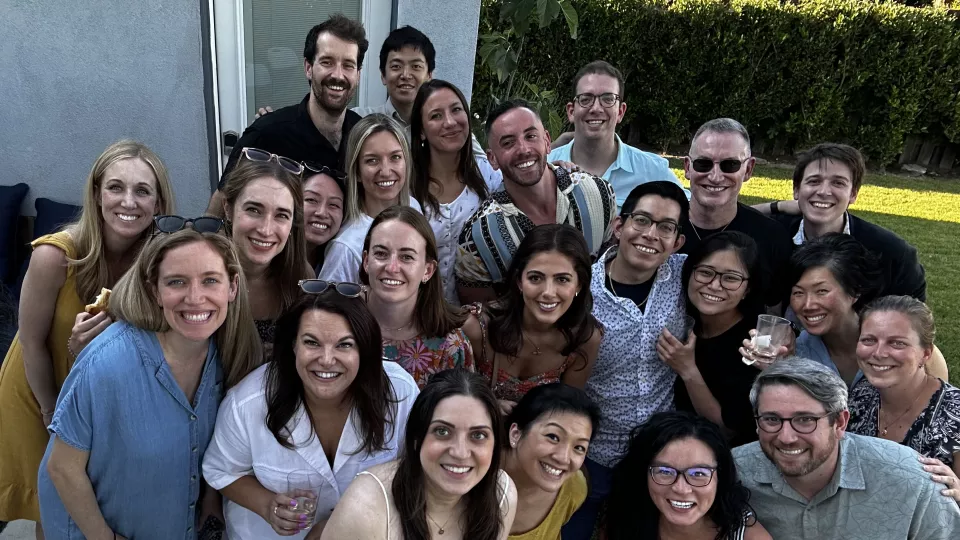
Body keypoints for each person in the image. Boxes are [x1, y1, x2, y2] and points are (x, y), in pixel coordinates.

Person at [37, 228, 262, 540]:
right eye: (176, 282)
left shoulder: (222, 357)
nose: (195, 298)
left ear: (233, 287)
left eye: (210, 280)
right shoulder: (107, 363)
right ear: (154, 291)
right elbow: (61, 468)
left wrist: (210, 502)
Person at [0, 140, 174, 533]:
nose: (128, 201)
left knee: (86, 499)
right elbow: (29, 342)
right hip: (38, 390)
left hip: (97, 397)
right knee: (50, 509)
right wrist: (49, 413)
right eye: (115, 187)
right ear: (96, 194)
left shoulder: (154, 263)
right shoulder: (55, 255)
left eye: (142, 191)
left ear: (159, 203)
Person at [202, 289, 420, 539]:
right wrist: (268, 505)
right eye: (312, 342)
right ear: (294, 345)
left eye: (344, 345)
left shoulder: (399, 393)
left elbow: (415, 469)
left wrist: (343, 522)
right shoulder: (247, 403)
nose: (327, 360)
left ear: (364, 349)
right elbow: (221, 470)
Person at [564, 181, 688, 538]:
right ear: (619, 227)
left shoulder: (685, 277)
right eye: (642, 221)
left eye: (666, 228)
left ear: (677, 242)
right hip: (592, 453)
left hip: (658, 456)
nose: (651, 234)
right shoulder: (580, 291)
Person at [733, 357, 960, 539]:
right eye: (772, 419)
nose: (786, 437)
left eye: (805, 420)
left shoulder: (913, 484)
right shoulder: (730, 476)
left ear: (840, 422)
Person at [320, 369, 519, 540]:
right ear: (417, 438)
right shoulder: (366, 507)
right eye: (442, 431)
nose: (460, 452)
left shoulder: (501, 495)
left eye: (478, 435)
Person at [455, 99, 616, 304]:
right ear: (492, 158)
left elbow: (613, 273)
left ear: (547, 141)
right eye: (508, 142)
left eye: (531, 136)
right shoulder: (478, 238)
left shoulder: (599, 195)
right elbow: (482, 319)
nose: (523, 149)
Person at [206, 14, 367, 217]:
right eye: (327, 62)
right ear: (308, 68)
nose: (337, 74)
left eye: (348, 65)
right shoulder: (267, 134)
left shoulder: (362, 137)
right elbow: (218, 210)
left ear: (358, 75)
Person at [754, 143, 927, 300]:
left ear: (853, 194)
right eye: (814, 181)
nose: (823, 191)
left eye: (838, 183)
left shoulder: (892, 253)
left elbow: (916, 320)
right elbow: (734, 218)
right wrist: (776, 206)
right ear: (797, 190)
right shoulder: (774, 233)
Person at [463, 224, 602, 412]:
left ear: (579, 286)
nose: (548, 292)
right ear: (519, 281)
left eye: (562, 279)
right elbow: (444, 399)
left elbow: (566, 413)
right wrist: (487, 406)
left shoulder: (584, 339)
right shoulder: (477, 328)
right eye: (536, 278)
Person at [847, 295, 960, 501]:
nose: (879, 353)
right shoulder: (860, 395)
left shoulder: (955, 417)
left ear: (926, 353)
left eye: (897, 343)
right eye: (869, 340)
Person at [663, 232, 766, 447]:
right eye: (705, 272)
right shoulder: (682, 319)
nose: (714, 285)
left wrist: (688, 370)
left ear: (747, 289)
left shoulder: (754, 345)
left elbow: (726, 431)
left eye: (730, 278)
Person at [678, 118, 792, 309]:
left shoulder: (772, 238)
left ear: (748, 169)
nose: (715, 176)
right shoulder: (661, 230)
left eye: (730, 165)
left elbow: (774, 316)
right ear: (687, 168)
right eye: (703, 164)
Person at [605, 411, 771, 540]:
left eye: (698, 473)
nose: (681, 489)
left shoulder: (749, 537)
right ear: (644, 474)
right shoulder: (625, 521)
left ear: (720, 477)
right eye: (664, 472)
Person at [359, 206, 473, 388]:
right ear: (366, 261)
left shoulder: (449, 346)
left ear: (428, 270)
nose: (392, 267)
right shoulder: (339, 316)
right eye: (381, 254)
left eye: (406, 257)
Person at [411, 79, 502, 305]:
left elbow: (526, 184)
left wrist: (556, 167)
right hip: (416, 314)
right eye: (436, 116)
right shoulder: (406, 185)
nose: (450, 122)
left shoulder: (488, 176)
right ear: (421, 131)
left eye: (456, 110)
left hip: (476, 316)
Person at [548, 60, 683, 208]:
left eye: (608, 99)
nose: (596, 108)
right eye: (586, 99)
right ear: (571, 111)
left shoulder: (652, 172)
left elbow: (690, 215)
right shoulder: (546, 169)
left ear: (620, 112)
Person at [220, 156, 313, 354]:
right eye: (254, 210)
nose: (266, 229)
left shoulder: (300, 277)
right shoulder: (203, 272)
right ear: (228, 209)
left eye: (281, 215)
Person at [319, 114, 422, 283]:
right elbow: (325, 307)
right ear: (357, 171)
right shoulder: (346, 247)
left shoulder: (414, 207)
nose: (386, 171)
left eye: (395, 157)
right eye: (372, 160)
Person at [502, 383, 599, 539]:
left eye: (579, 447)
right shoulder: (472, 479)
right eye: (553, 437)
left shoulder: (573, 489)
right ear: (515, 434)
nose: (563, 458)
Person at [303, 165, 346, 272]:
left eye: (334, 205)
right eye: (311, 200)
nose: (321, 213)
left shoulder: (339, 262)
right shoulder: (268, 254)